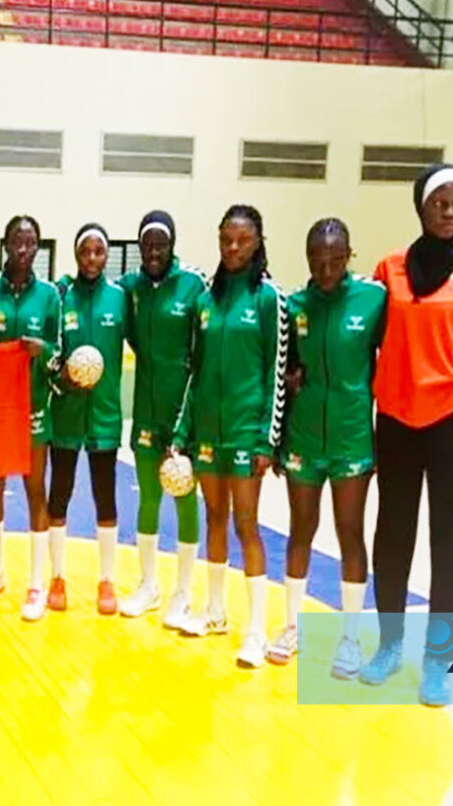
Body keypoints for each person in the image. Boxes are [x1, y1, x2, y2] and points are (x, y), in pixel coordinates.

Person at [363, 163, 453, 706]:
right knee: (392, 538)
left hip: (452, 425)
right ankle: (389, 644)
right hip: (396, 422)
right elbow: (365, 341)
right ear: (420, 205)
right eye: (438, 203)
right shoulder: (389, 268)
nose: (448, 212)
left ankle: (439, 663)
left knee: (451, 546)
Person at [171, 204, 287, 669]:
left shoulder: (268, 298)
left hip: (245, 430)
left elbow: (276, 371)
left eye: (241, 240)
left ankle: (256, 630)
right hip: (207, 433)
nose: (233, 248)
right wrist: (183, 431)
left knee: (246, 525)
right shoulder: (206, 300)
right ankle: (214, 611)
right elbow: (195, 373)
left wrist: (267, 439)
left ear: (258, 241)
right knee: (213, 517)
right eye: (225, 240)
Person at [272, 218, 386, 672]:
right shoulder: (294, 306)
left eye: (335, 260)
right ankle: (292, 625)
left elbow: (390, 360)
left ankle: (351, 637)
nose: (326, 270)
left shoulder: (373, 300)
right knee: (301, 529)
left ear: (349, 255)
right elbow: (282, 371)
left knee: (349, 530)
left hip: (352, 436)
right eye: (317, 262)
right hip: (303, 438)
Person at [0, 216, 62, 621]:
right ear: (5, 244)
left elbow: (59, 353)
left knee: (34, 491)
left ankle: (37, 582)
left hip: (35, 407)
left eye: (31, 243)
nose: (23, 250)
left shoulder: (50, 297)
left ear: (38, 248)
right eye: (16, 242)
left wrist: (45, 351)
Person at [118, 210, 205, 624]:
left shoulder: (193, 285)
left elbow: (203, 357)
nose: (154, 252)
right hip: (147, 418)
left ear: (172, 245)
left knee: (186, 501)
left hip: (184, 417)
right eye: (147, 245)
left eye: (161, 245)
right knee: (148, 500)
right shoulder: (131, 287)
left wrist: (187, 428)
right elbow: (88, 286)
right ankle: (149, 585)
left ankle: (183, 592)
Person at [47, 224, 129, 615]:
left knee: (105, 497)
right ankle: (58, 578)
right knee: (58, 494)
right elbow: (48, 349)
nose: (93, 259)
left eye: (99, 252)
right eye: (86, 252)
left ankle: (106, 581)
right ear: (76, 255)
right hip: (66, 413)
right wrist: (60, 374)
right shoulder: (61, 297)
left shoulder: (120, 298)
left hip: (105, 417)